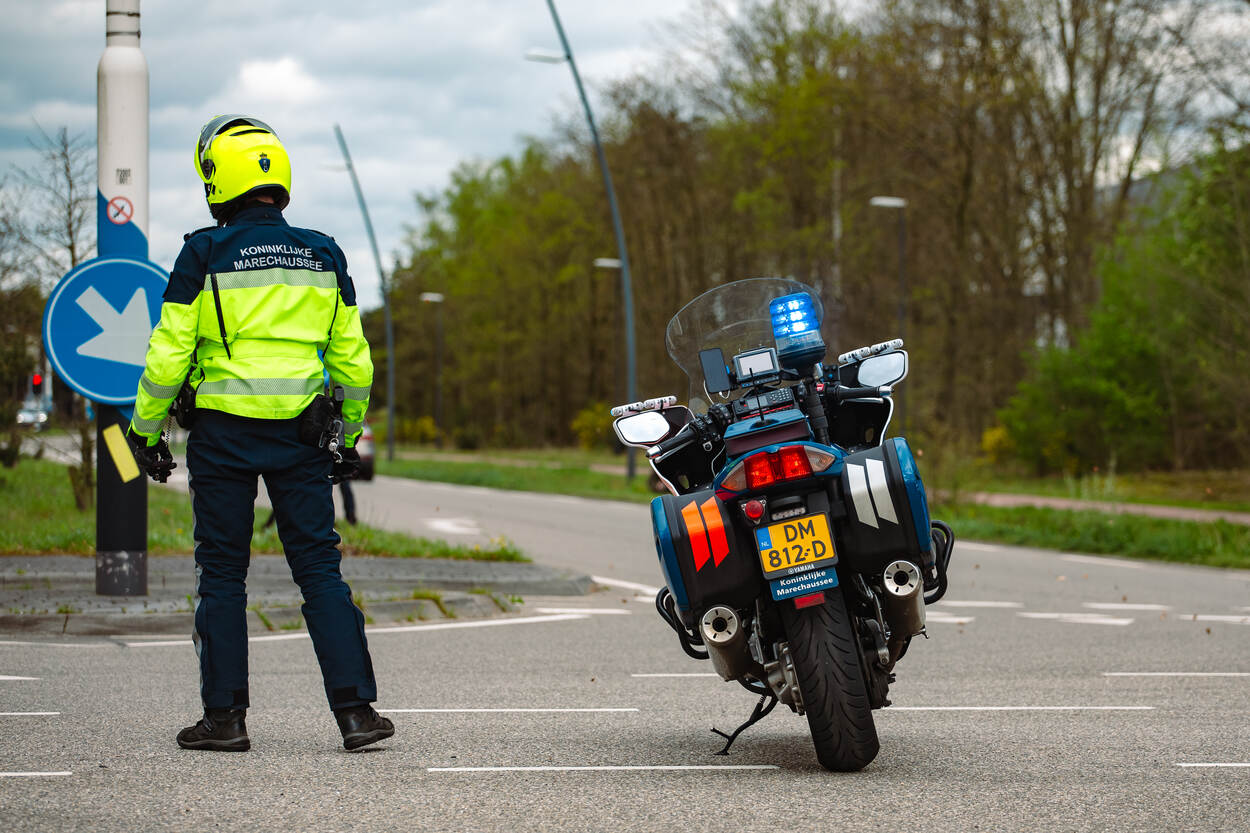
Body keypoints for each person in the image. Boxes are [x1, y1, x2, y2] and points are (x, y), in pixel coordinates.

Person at [126, 114, 393, 752]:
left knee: (222, 573)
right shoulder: (323, 253)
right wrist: (347, 434)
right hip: (302, 436)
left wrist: (145, 430)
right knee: (319, 570)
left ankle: (226, 720)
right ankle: (356, 715)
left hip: (221, 437)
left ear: (219, 179)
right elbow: (353, 360)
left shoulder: (203, 253)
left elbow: (168, 357)